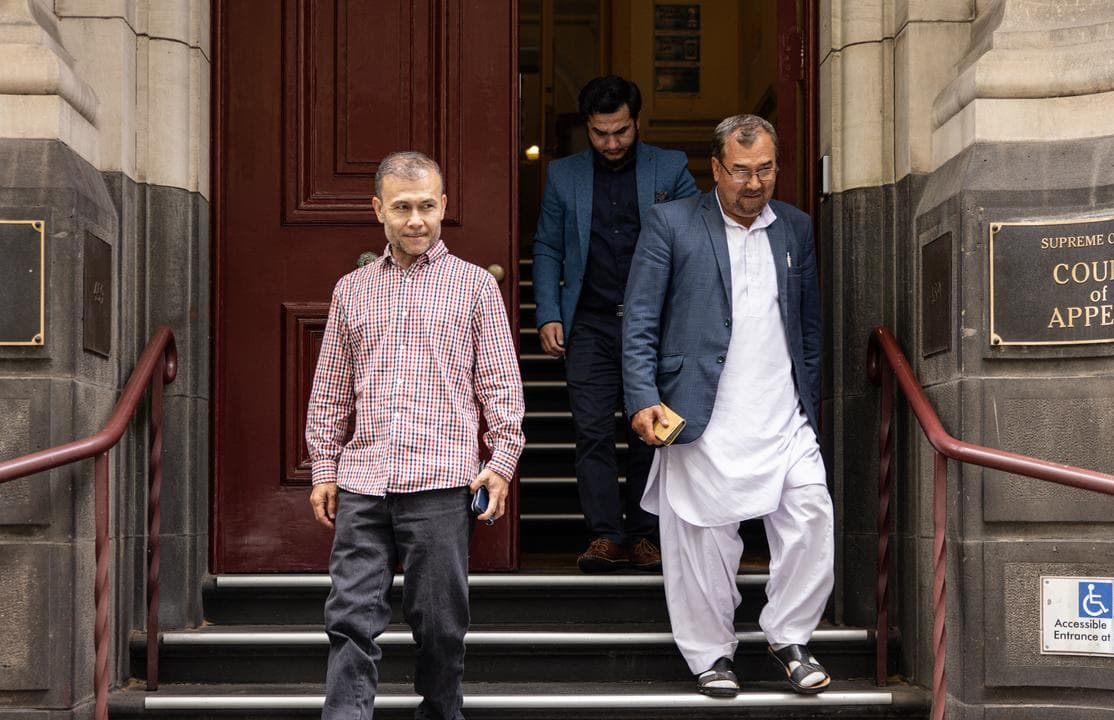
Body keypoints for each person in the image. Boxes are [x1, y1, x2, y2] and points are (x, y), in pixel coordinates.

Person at [305, 151, 525, 720]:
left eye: (427, 206)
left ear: (444, 207)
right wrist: (325, 470)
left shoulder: (475, 287)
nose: (416, 220)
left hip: (441, 485)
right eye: (402, 207)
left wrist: (500, 463)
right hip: (364, 485)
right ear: (378, 210)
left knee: (440, 624)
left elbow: (502, 387)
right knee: (350, 618)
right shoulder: (351, 290)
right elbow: (331, 389)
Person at [622, 115, 834, 697]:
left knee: (811, 514)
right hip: (701, 413)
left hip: (781, 412)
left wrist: (809, 399)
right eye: (740, 171)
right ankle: (710, 653)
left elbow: (807, 329)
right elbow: (640, 318)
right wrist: (642, 396)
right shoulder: (670, 223)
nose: (754, 182)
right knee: (702, 541)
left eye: (764, 168)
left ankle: (789, 634)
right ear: (715, 169)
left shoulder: (794, 228)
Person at [531, 75, 698, 573]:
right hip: (590, 323)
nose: (611, 143)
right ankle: (605, 536)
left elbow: (695, 241)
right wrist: (548, 313)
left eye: (621, 131)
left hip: (653, 325)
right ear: (587, 127)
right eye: (600, 133)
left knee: (650, 430)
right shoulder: (564, 176)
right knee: (593, 431)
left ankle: (645, 535)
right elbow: (547, 246)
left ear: (637, 121)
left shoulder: (670, 167)